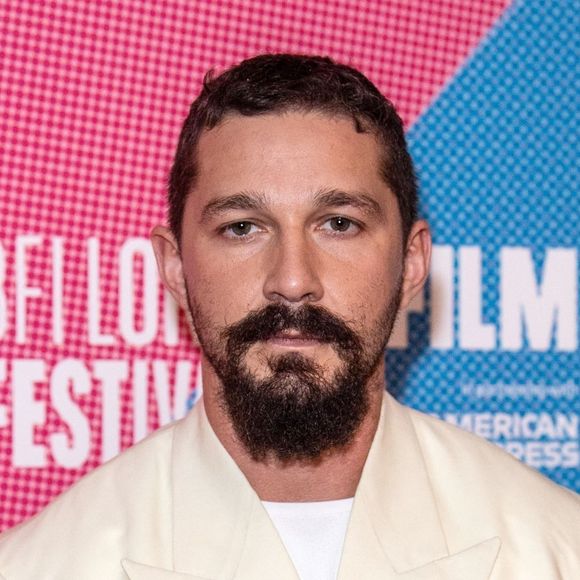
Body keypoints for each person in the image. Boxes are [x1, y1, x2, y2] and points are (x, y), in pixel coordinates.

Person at [0, 54, 578, 580]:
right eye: (242, 228)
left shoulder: (557, 549)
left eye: (339, 223)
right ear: (176, 268)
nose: (293, 280)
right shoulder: (41, 565)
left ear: (410, 262)